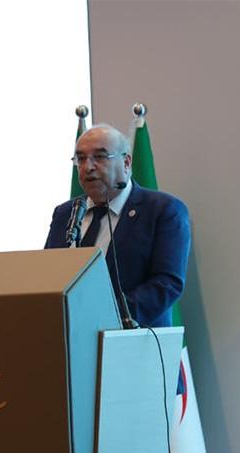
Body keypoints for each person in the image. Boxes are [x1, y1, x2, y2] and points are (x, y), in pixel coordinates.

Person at [44, 124, 190, 327]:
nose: (88, 167)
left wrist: (103, 315)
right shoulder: (65, 213)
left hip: (135, 338)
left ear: (126, 162)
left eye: (100, 157)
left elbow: (166, 284)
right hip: (68, 336)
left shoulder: (162, 210)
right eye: (81, 158)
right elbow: (48, 275)